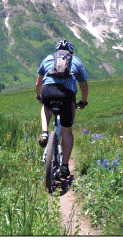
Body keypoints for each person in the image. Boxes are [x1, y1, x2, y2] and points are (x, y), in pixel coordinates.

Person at [35, 39, 89, 183]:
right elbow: (83, 85)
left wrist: (39, 95)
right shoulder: (76, 61)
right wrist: (84, 101)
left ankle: (45, 132)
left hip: (48, 91)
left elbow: (38, 82)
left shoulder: (47, 58)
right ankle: (64, 166)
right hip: (67, 96)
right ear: (70, 51)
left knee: (45, 106)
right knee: (66, 131)